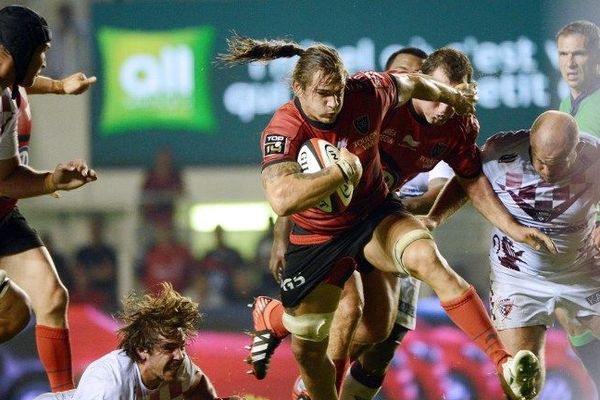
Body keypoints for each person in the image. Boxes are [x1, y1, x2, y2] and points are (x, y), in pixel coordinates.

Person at [219, 36, 552, 400]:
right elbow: (282, 199)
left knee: (405, 292)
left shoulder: (370, 92)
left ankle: (502, 360)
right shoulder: (284, 127)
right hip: (319, 236)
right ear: (298, 88)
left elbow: (415, 90)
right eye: (324, 94)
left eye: (338, 93)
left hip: (375, 212)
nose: (334, 104)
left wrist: (452, 97)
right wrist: (338, 175)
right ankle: (278, 319)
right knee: (312, 344)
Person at [427, 110, 600, 396]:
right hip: (518, 279)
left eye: (556, 165)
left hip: (582, 271)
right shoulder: (501, 154)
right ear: (530, 143)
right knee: (520, 379)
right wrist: (435, 218)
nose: (547, 172)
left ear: (576, 149)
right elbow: (467, 181)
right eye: (541, 162)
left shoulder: (594, 158)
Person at [0, 4, 97, 392]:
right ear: (16, 53)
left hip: (3, 216)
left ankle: (63, 395)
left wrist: (57, 86)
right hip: (4, 198)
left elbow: (20, 81)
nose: (43, 63)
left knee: (52, 297)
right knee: (13, 311)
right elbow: (5, 180)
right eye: (39, 56)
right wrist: (53, 181)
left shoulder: (8, 86)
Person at [34, 282, 243, 400]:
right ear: (143, 349)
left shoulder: (177, 365)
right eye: (169, 348)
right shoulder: (110, 386)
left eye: (181, 346)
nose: (180, 355)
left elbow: (204, 396)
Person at [555, 20, 600, 390]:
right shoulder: (566, 106)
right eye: (564, 54)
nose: (570, 63)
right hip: (577, 234)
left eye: (579, 53)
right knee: (571, 314)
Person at [72, 215, 119, 312]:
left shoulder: (109, 252)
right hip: (84, 296)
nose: (95, 231)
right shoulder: (82, 252)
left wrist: (88, 273)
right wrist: (97, 272)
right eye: (93, 227)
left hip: (105, 299)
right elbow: (78, 273)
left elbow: (108, 273)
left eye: (98, 227)